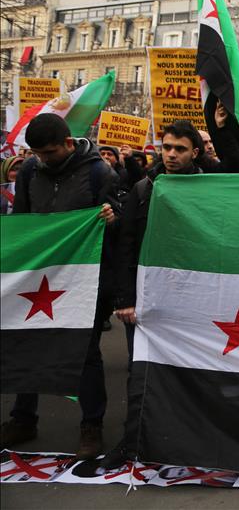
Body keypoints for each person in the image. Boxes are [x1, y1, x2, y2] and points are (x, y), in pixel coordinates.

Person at [1, 113, 118, 460]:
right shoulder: (29, 171)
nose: (42, 159)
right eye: (37, 153)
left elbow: (119, 221)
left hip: (83, 278)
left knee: (86, 350)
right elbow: (22, 223)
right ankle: (23, 419)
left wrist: (112, 216)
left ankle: (91, 425)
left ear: (68, 143)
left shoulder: (99, 173)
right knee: (29, 342)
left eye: (49, 153)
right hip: (38, 276)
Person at [100, 120, 206, 471]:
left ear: (195, 152)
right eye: (167, 147)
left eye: (180, 149)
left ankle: (189, 438)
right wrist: (125, 299)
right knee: (141, 371)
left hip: (192, 297)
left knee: (190, 370)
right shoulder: (144, 188)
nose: (171, 154)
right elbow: (126, 246)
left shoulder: (212, 187)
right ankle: (133, 439)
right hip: (148, 297)